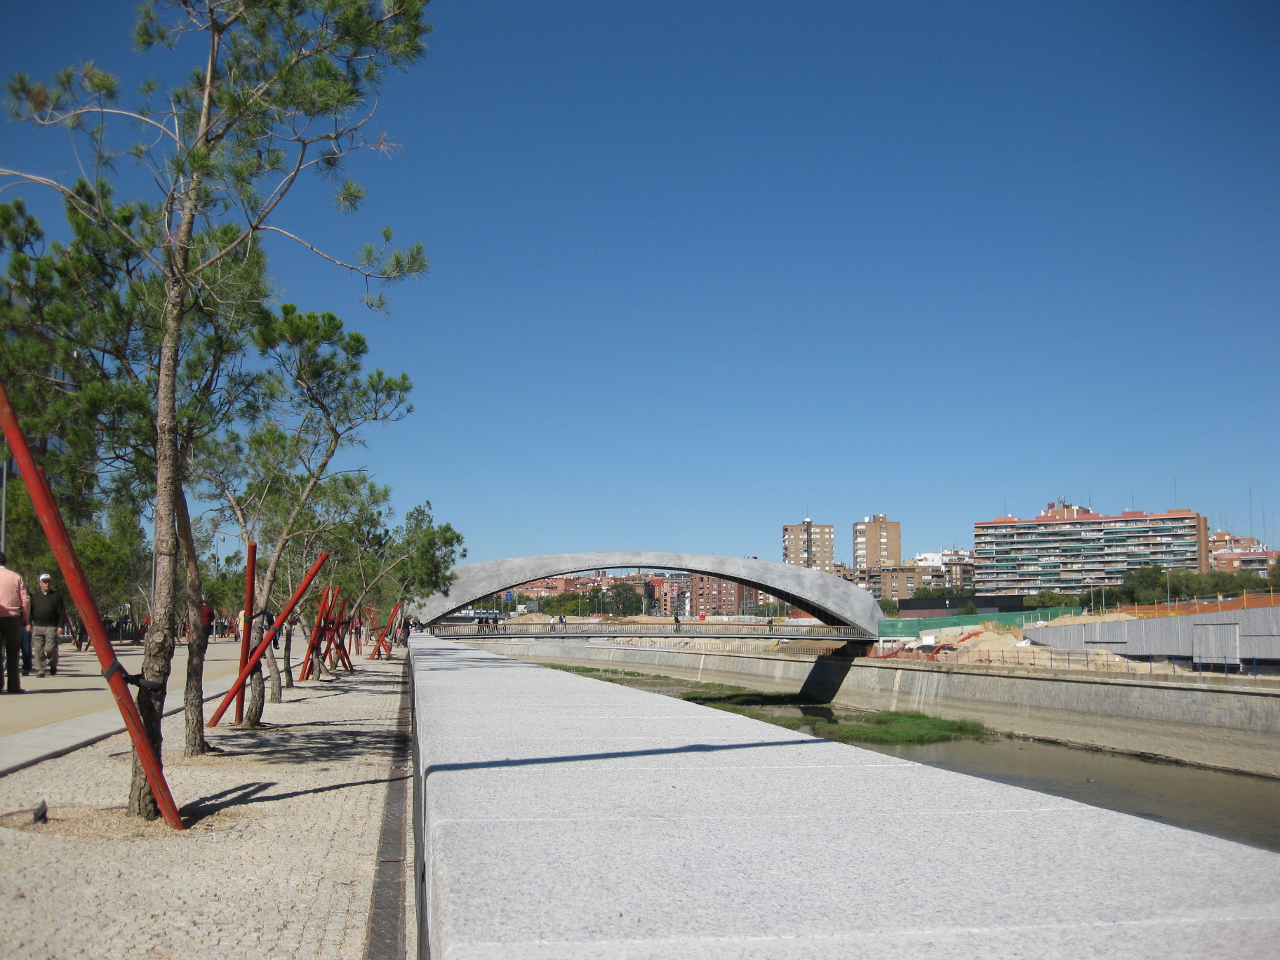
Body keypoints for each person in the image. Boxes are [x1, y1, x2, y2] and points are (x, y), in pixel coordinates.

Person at [0, 551, 31, 693]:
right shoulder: (15, 576)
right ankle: (13, 685)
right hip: (13, 618)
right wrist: (25, 618)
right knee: (13, 652)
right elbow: (25, 600)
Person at [30, 573, 66, 678]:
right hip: (37, 626)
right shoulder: (35, 596)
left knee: (50, 648)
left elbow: (61, 612)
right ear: (40, 583)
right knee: (38, 649)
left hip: (51, 627)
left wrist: (60, 626)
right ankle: (40, 670)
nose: (47, 583)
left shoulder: (56, 596)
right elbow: (30, 611)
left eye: (48, 581)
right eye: (44, 582)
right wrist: (28, 623)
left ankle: (53, 664)